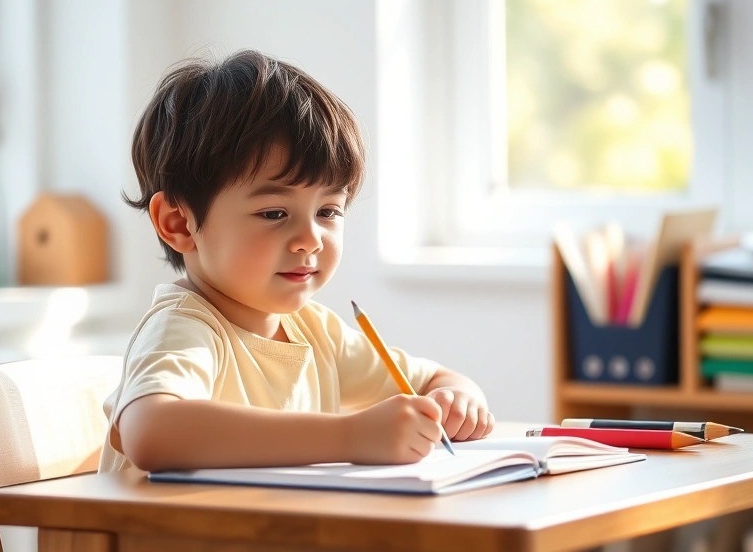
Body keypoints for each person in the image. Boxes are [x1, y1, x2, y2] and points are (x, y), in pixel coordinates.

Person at [99, 49, 494, 473]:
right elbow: (152, 432)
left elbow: (435, 380)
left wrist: (455, 401)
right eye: (274, 214)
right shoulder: (184, 328)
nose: (310, 239)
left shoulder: (317, 332)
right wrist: (351, 436)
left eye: (328, 211)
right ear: (179, 223)